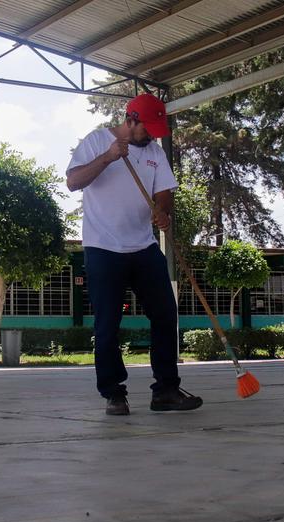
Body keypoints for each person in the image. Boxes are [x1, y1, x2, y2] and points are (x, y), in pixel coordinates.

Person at [66, 93, 202, 415]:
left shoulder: (154, 152)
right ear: (131, 119)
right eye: (147, 128)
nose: (152, 135)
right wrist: (108, 157)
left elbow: (164, 193)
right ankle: (114, 393)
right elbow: (73, 181)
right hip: (103, 248)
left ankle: (166, 390)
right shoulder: (97, 140)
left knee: (166, 314)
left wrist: (162, 212)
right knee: (107, 324)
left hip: (144, 246)